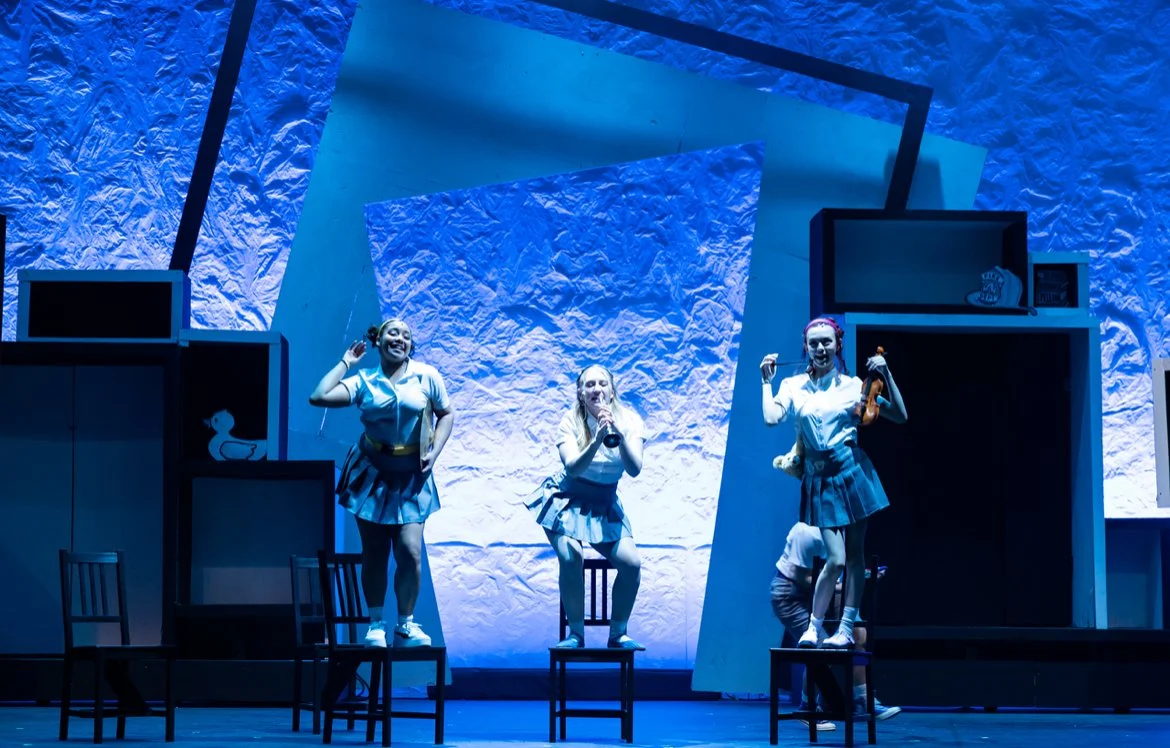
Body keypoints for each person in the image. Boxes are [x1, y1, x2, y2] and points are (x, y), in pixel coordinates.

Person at [761, 316, 907, 650]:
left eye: (826, 342)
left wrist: (886, 374)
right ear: (806, 347)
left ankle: (845, 629)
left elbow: (899, 415)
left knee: (855, 555)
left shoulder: (854, 386)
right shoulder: (794, 385)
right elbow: (771, 418)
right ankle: (813, 628)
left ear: (838, 344)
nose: (820, 348)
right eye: (814, 343)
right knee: (836, 558)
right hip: (821, 477)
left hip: (852, 471)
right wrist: (766, 382)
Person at [309, 318, 455, 648]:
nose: (399, 339)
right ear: (379, 340)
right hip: (372, 472)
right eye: (393, 333)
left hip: (411, 476)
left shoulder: (427, 376)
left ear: (411, 345)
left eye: (406, 335)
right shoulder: (365, 381)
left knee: (409, 551)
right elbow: (319, 396)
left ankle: (405, 625)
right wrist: (346, 362)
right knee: (374, 552)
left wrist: (434, 453)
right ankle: (376, 625)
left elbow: (447, 413)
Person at [524, 364, 646, 650]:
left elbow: (634, 469)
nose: (597, 389)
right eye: (590, 385)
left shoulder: (630, 421)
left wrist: (617, 434)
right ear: (580, 393)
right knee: (571, 557)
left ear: (612, 390)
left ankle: (618, 634)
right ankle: (575, 634)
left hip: (604, 502)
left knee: (631, 564)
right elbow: (573, 468)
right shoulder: (570, 421)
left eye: (603, 384)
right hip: (567, 498)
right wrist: (596, 440)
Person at [771, 519, 902, 722]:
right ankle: (808, 705)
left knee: (858, 635)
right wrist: (844, 586)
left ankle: (863, 700)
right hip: (792, 595)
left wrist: (862, 576)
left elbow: (842, 572)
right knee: (822, 648)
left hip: (826, 590)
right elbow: (804, 579)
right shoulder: (805, 532)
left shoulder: (845, 531)